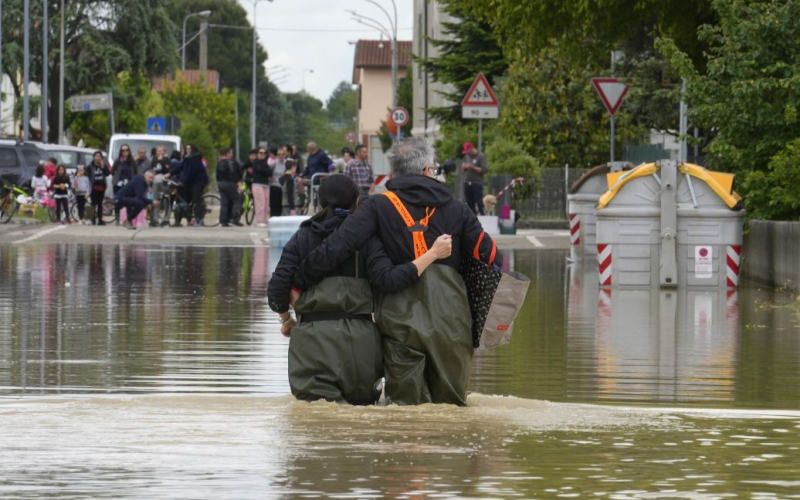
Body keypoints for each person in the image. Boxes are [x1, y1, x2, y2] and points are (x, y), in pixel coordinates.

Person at [291, 137, 501, 407]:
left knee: (406, 411)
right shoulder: (457, 209)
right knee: (452, 410)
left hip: (400, 321)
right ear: (427, 170)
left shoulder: (378, 206)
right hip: (451, 321)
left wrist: (298, 281)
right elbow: (493, 257)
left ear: (393, 173)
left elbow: (336, 248)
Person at [268, 174, 453, 405]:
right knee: (362, 415)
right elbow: (390, 280)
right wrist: (433, 254)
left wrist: (287, 320)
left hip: (311, 338)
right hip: (361, 344)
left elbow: (277, 288)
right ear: (356, 203)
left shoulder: (301, 238)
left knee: (315, 422)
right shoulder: (368, 240)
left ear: (320, 201)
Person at [216, 147, 243, 227]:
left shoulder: (219, 163)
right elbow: (233, 174)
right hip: (230, 183)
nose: (231, 155)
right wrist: (238, 183)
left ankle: (223, 220)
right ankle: (233, 218)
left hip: (221, 183)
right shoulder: (230, 163)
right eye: (230, 153)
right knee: (237, 200)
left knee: (224, 202)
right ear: (227, 154)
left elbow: (217, 175)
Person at [461, 141, 488, 216]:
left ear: (472, 148)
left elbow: (484, 170)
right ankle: (472, 218)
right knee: (469, 202)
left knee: (479, 202)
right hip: (467, 182)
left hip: (476, 183)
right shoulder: (467, 157)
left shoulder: (481, 156)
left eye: (468, 151)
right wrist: (464, 167)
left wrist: (472, 167)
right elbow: (463, 170)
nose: (467, 153)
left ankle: (483, 215)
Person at [111, 144, 135, 223]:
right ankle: (117, 219)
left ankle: (129, 219)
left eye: (126, 150)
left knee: (129, 202)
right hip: (119, 184)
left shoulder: (132, 161)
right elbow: (112, 171)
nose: (125, 152)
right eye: (123, 150)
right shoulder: (118, 161)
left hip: (129, 184)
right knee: (118, 201)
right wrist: (117, 178)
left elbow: (135, 172)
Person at [251, 147, 273, 228]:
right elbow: (259, 170)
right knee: (260, 203)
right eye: (260, 152)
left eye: (264, 153)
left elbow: (270, 172)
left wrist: (265, 171)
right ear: (257, 154)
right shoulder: (255, 162)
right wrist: (266, 171)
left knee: (266, 203)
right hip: (257, 184)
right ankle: (260, 220)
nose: (262, 154)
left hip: (266, 184)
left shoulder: (266, 163)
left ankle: (264, 219)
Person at [87, 151, 110, 226]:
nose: (98, 158)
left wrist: (103, 166)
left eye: (99, 156)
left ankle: (100, 219)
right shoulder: (90, 166)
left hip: (102, 187)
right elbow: (88, 177)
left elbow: (107, 173)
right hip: (93, 187)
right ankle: (91, 219)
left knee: (100, 204)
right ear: (94, 157)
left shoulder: (103, 165)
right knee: (92, 203)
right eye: (96, 156)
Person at [270, 147, 287, 217]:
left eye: (282, 154)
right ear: (276, 155)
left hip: (283, 187)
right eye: (279, 154)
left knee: (281, 205)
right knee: (274, 204)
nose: (281, 156)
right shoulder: (273, 164)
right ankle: (273, 218)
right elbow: (269, 173)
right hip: (274, 186)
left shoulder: (287, 164)